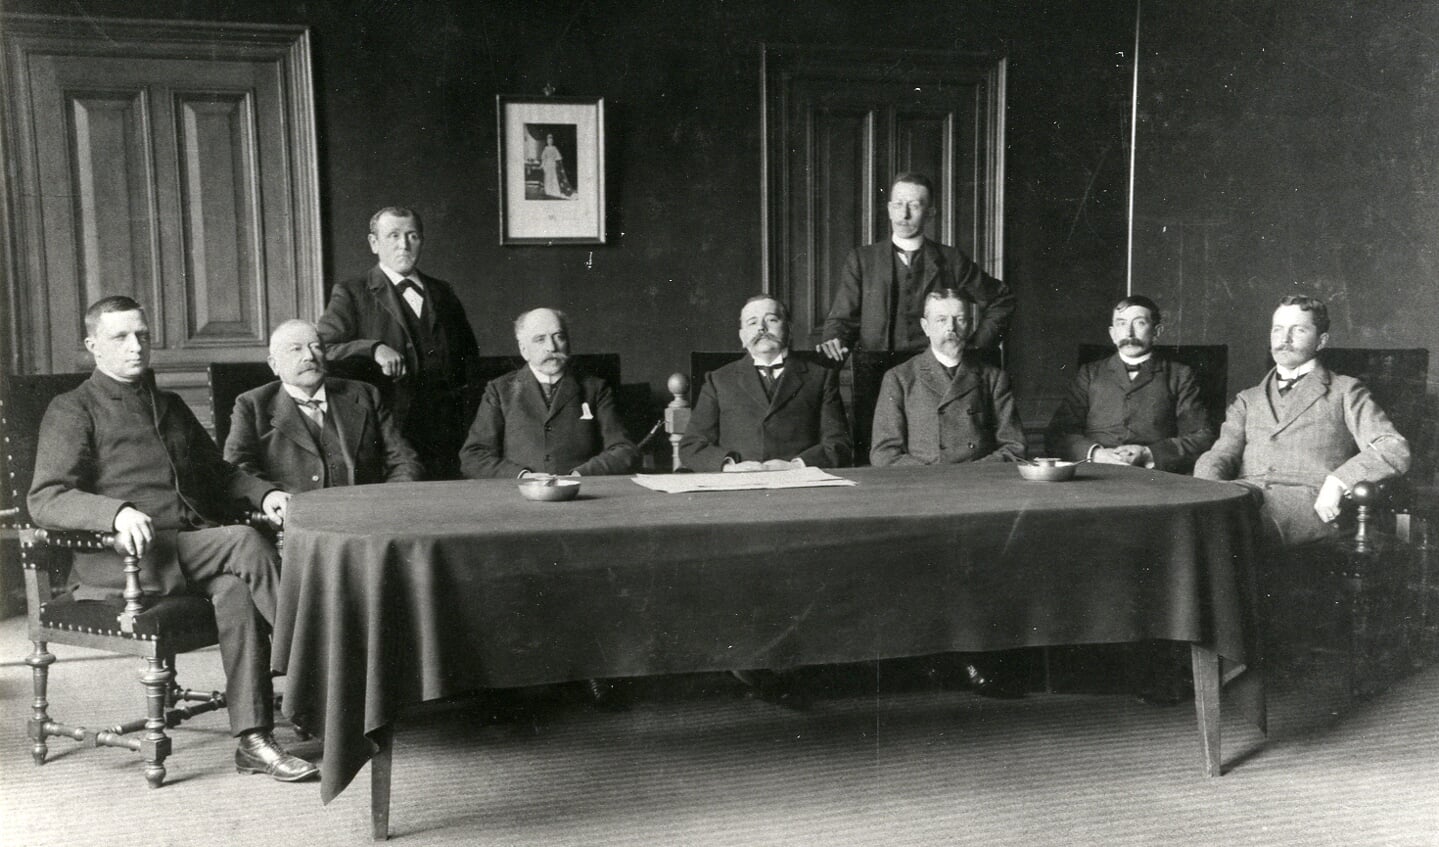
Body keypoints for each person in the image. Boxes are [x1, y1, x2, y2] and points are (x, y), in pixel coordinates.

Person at [28, 296, 316, 782]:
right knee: (244, 542)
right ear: (93, 346)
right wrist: (114, 512)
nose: (136, 346)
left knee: (237, 590)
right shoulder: (73, 408)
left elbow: (219, 475)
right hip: (128, 563)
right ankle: (319, 677)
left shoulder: (169, 405)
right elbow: (46, 497)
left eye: (142, 334)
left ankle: (253, 739)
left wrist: (265, 494)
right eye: (120, 337)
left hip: (188, 551)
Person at [1195, 294, 1410, 547]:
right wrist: (1205, 494)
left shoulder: (1345, 391)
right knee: (1190, 524)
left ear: (1321, 341)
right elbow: (1220, 455)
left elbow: (1393, 447)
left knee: (1230, 531)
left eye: (1298, 330)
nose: (1284, 340)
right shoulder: (1248, 399)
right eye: (1277, 330)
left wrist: (1339, 481)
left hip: (1311, 504)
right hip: (1244, 496)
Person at [317, 206, 479, 480]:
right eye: (393, 235)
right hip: (390, 430)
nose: (403, 244)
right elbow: (323, 350)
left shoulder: (443, 291)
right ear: (374, 243)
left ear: (421, 241)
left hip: (449, 429)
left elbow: (469, 356)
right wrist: (373, 348)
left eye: (412, 235)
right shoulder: (352, 293)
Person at [817, 172, 1015, 361]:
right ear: (889, 209)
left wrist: (975, 347)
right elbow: (842, 320)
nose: (904, 214)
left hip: (937, 373)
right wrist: (834, 340)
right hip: (876, 373)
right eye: (898, 204)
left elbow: (1002, 299)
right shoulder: (861, 260)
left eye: (914, 205)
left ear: (930, 213)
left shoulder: (951, 260)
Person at [225, 319, 423, 492]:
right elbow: (239, 468)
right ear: (274, 365)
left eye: (316, 346)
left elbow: (404, 460)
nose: (309, 356)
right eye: (296, 349)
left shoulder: (365, 394)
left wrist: (389, 501)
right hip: (296, 521)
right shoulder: (252, 405)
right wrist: (269, 497)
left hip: (367, 515)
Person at [680, 295, 852, 472]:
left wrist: (796, 466)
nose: (761, 328)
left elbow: (838, 444)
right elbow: (692, 446)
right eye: (752, 323)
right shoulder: (718, 380)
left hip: (798, 484)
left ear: (789, 329)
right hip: (736, 487)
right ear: (742, 336)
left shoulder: (820, 377)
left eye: (771, 319)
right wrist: (729, 467)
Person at [460, 308, 638, 479]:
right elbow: (473, 457)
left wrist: (580, 476)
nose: (551, 347)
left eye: (559, 337)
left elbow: (623, 449)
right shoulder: (499, 390)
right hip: (520, 495)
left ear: (568, 343)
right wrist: (522, 477)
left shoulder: (596, 388)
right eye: (539, 339)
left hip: (582, 493)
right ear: (523, 349)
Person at [1045, 295, 1215, 473]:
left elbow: (1202, 436)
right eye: (1121, 323)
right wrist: (1096, 454)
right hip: (1095, 473)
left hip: (1154, 476)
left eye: (1139, 323)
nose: (1129, 333)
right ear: (1112, 333)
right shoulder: (1089, 374)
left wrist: (1149, 453)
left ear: (1156, 332)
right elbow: (1057, 434)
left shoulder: (1180, 375)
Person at [869, 289, 1026, 466]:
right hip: (923, 484)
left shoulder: (993, 378)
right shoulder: (899, 378)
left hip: (979, 482)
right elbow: (884, 453)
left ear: (970, 326)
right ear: (925, 327)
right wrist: (933, 478)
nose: (951, 328)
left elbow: (1015, 447)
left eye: (960, 319)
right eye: (941, 320)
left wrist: (972, 474)